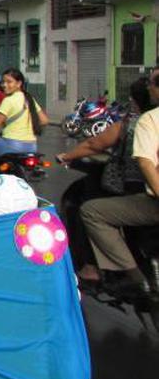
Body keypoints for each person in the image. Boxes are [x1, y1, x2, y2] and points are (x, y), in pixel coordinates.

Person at [57, 77, 154, 285]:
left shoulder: (133, 124)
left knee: (90, 210)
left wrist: (66, 156)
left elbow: (93, 145)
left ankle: (96, 267)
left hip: (135, 190)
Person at [78, 69, 159, 299]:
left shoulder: (146, 121)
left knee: (91, 211)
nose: (149, 88)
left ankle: (135, 278)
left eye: (152, 83)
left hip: (144, 197)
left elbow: (145, 162)